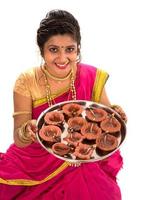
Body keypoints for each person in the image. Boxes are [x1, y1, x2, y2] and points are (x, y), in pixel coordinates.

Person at [0, 9, 127, 200]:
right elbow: (19, 138)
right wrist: (27, 130)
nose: (62, 58)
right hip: (35, 162)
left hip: (81, 156)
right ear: (41, 50)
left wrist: (116, 112)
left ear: (78, 49)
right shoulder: (27, 81)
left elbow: (106, 119)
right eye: (53, 50)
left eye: (70, 49)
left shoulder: (90, 76)